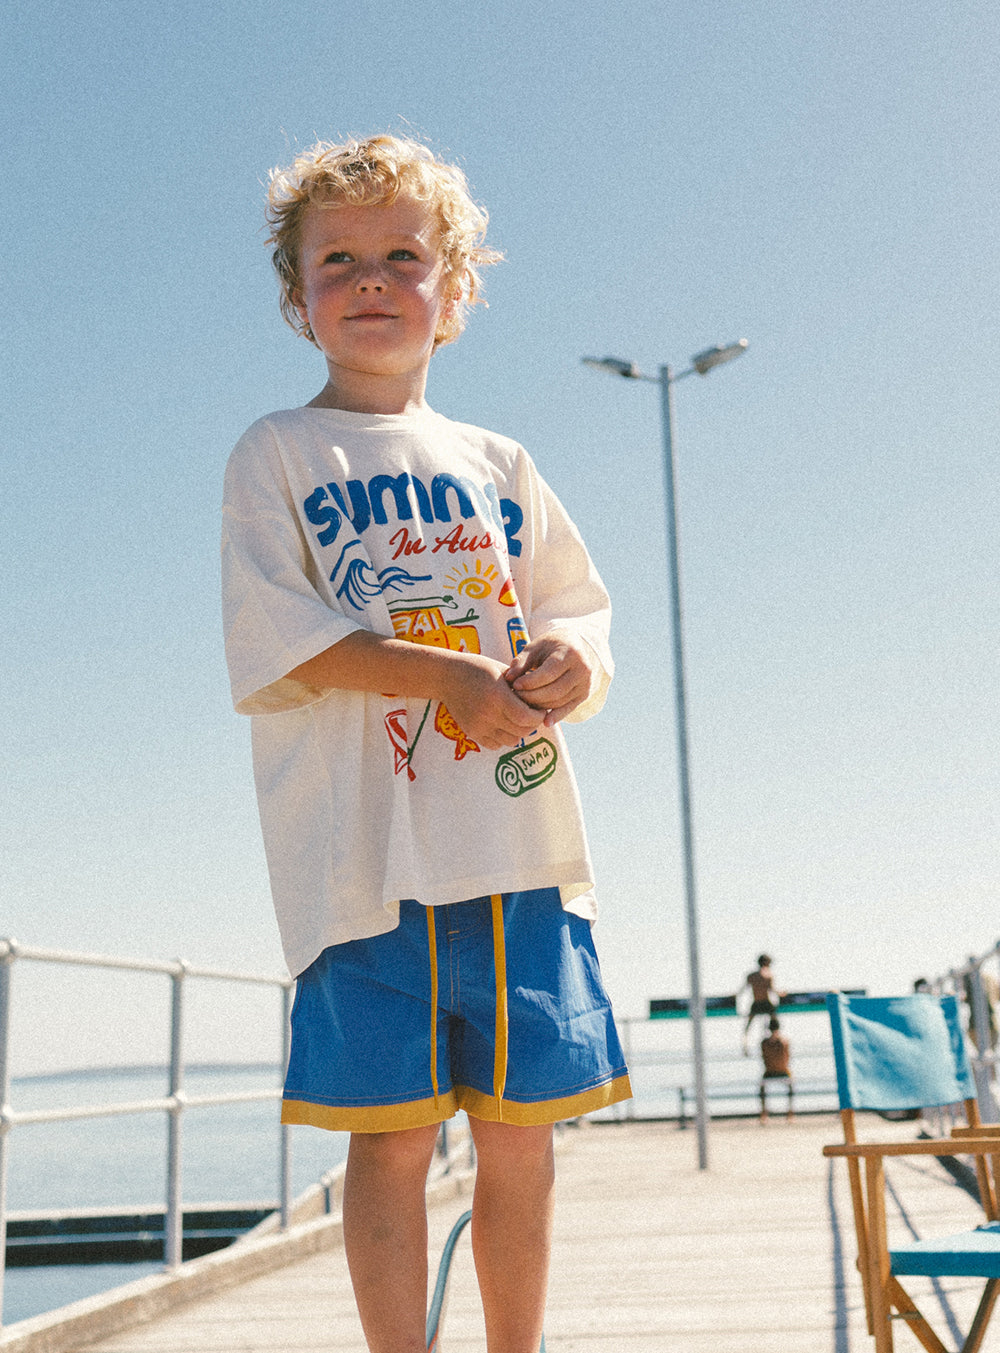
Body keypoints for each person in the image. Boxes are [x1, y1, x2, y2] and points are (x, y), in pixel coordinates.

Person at [221, 134, 632, 1353]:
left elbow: (576, 608)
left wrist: (568, 663)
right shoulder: (279, 454)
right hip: (365, 869)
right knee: (390, 1142)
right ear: (298, 299)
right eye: (337, 259)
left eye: (403, 256)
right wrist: (438, 677)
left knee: (521, 1139)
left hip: (513, 845)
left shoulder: (500, 461)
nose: (370, 281)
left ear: (452, 290)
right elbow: (279, 644)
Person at [741, 953, 782, 1055]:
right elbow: (773, 990)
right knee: (775, 1024)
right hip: (766, 1002)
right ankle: (777, 1047)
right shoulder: (768, 975)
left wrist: (732, 997)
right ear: (767, 963)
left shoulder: (751, 976)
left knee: (747, 1026)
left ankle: (745, 1048)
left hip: (756, 1003)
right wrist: (782, 994)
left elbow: (743, 990)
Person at [759, 1016, 793, 1123]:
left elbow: (764, 1057)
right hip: (780, 1070)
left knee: (762, 1088)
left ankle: (764, 1113)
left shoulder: (765, 1042)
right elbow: (787, 1057)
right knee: (790, 1087)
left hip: (771, 1071)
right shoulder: (784, 1041)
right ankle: (789, 1113)